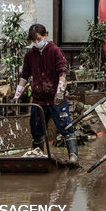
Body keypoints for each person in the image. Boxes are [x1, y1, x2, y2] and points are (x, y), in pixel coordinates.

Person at [13, 24, 78, 165]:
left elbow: (62, 71)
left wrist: (60, 91)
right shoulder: (30, 55)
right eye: (33, 40)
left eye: (39, 39)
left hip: (56, 98)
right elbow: (25, 76)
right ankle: (37, 157)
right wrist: (17, 94)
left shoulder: (54, 50)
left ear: (46, 35)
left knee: (65, 126)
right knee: (36, 129)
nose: (36, 43)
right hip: (38, 100)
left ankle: (73, 157)